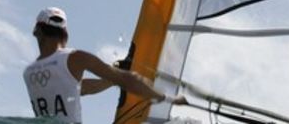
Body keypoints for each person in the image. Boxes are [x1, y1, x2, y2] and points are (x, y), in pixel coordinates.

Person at [23, 7, 185, 123]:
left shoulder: (29, 72)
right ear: (65, 33)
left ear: (37, 31)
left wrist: (112, 80)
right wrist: (166, 97)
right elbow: (127, 80)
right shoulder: (76, 58)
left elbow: (80, 88)